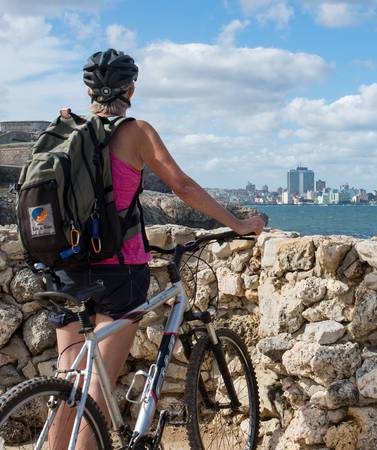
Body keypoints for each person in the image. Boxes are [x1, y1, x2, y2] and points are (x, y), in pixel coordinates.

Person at [49, 48, 266, 448]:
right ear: (131, 89)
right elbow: (181, 186)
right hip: (119, 270)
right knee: (96, 386)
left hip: (65, 264)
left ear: (88, 92)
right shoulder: (137, 132)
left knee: (69, 380)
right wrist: (237, 224)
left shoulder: (69, 131)